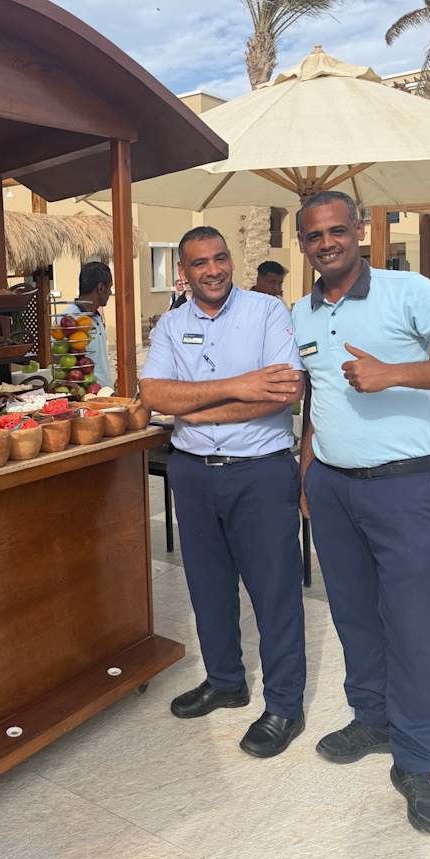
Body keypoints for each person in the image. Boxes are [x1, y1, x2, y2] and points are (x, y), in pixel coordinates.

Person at [294, 190, 430, 837]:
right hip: (332, 489)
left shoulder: (407, 291)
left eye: (337, 230)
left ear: (359, 231)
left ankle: (416, 761)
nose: (327, 243)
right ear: (304, 244)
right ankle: (372, 720)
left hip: (402, 489)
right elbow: (316, 399)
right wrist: (307, 473)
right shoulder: (301, 313)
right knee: (354, 615)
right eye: (315, 235)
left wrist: (395, 374)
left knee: (412, 626)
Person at [140, 226, 306, 757]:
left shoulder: (267, 312)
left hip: (259, 471)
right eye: (199, 262)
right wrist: (238, 385)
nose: (212, 270)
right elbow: (154, 394)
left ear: (230, 260)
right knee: (207, 585)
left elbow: (283, 393)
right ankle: (226, 681)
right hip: (192, 472)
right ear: (183, 272)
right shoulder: (171, 324)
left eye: (220, 258)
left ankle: (285, 705)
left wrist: (194, 406)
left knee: (274, 591)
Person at [62, 262, 113, 389]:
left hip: (104, 393)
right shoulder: (69, 319)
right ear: (101, 288)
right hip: (84, 395)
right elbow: (59, 362)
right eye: (110, 287)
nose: (111, 292)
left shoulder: (97, 317)